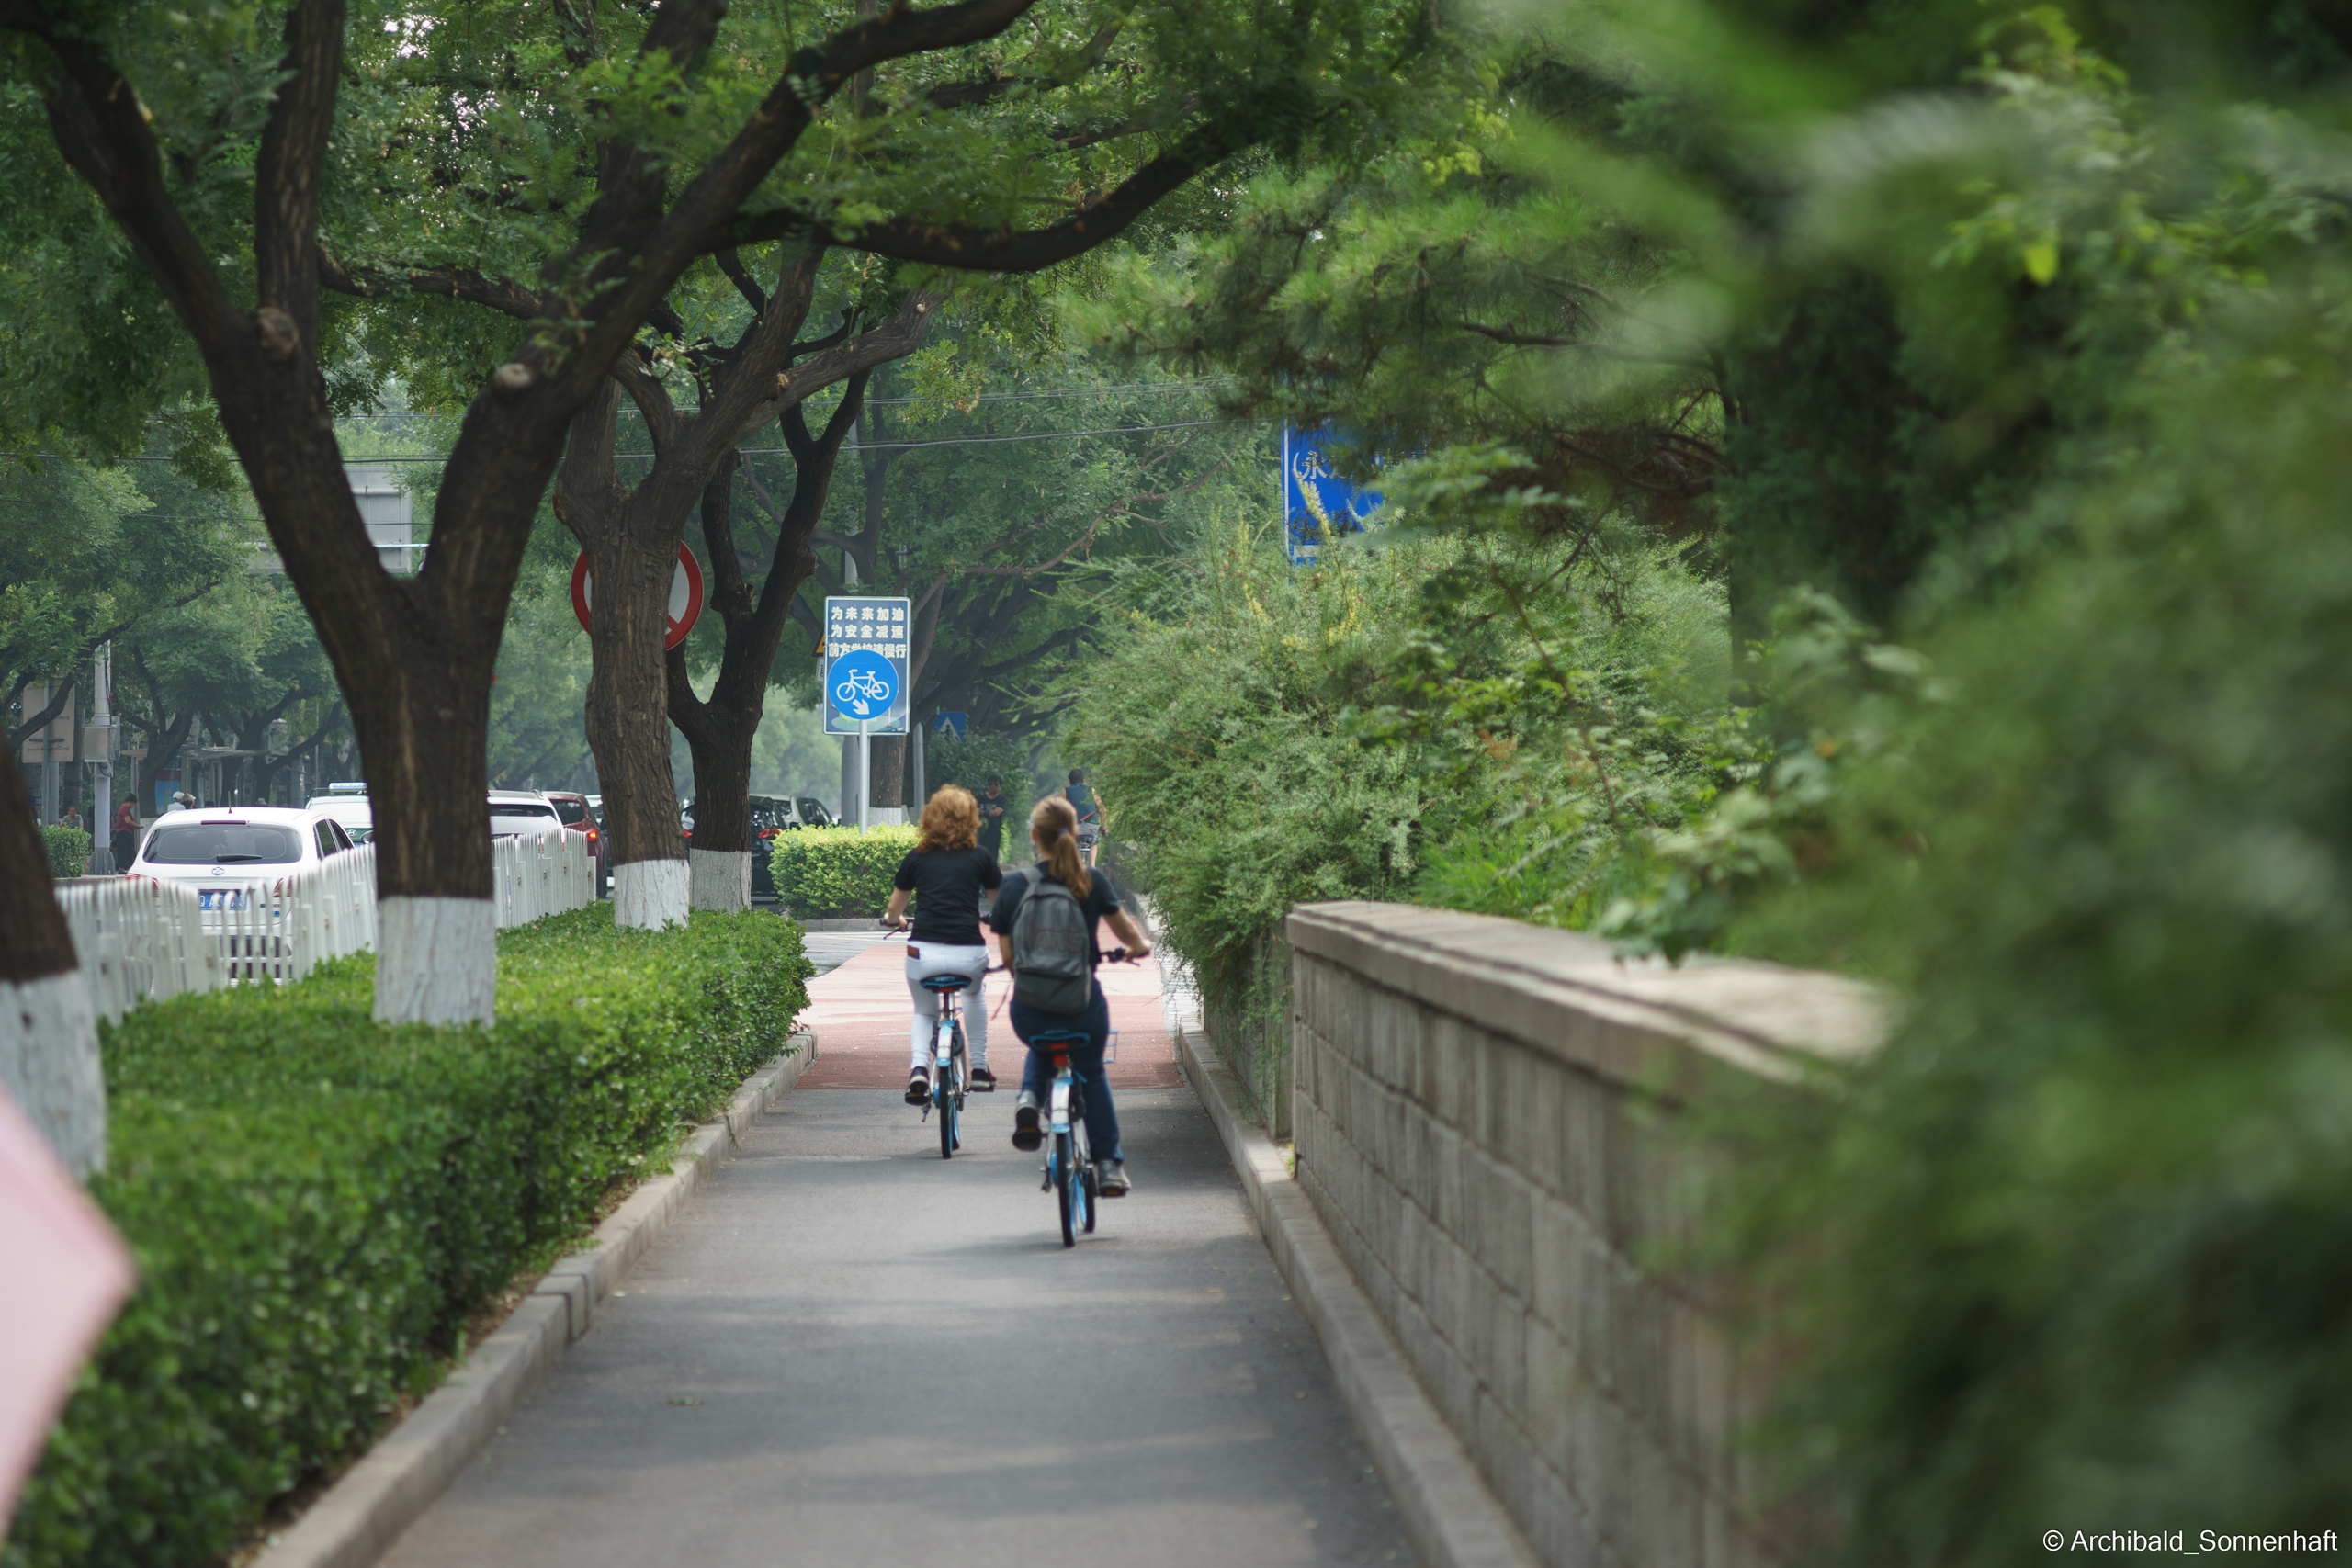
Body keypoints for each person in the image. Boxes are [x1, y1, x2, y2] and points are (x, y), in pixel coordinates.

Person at [992, 795, 1151, 1196]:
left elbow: (1009, 958)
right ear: (1076, 834)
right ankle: (1110, 1166)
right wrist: (1135, 949)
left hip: (1029, 1008)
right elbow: (1133, 938)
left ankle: (1030, 1095)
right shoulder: (1091, 881)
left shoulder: (1015, 885)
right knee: (1092, 1070)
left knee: (1042, 1040)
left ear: (1034, 836)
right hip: (1082, 1005)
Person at [883, 784, 1003, 1103]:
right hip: (968, 952)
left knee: (925, 1012)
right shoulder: (982, 857)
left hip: (923, 952)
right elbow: (1001, 906)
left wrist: (896, 920)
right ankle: (978, 1069)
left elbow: (894, 911)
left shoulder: (916, 858)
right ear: (970, 820)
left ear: (930, 818)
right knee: (974, 996)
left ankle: (919, 1070)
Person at [1062, 767, 1103, 867]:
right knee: (1093, 842)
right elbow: (1102, 810)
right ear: (1084, 781)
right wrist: (1104, 827)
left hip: (1073, 829)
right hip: (1090, 827)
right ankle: (1092, 866)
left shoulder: (1065, 791)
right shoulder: (1091, 790)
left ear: (1069, 781)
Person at [976, 773, 1010, 858]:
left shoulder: (1002, 799)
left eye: (996, 784)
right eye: (991, 784)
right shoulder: (980, 797)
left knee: (992, 855)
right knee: (978, 853)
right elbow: (972, 809)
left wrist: (983, 812)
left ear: (999, 786)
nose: (993, 786)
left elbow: (996, 812)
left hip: (994, 831)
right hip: (980, 831)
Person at [111, 798, 139, 871]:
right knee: (126, 850)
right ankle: (124, 867)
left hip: (124, 833)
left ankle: (123, 867)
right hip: (124, 833)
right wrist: (137, 826)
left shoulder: (124, 809)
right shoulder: (124, 809)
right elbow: (128, 821)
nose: (132, 806)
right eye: (132, 804)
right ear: (129, 802)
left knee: (124, 850)